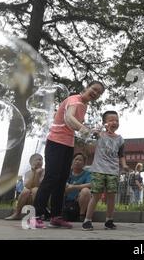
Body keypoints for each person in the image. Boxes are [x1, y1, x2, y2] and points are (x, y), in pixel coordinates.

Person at [32, 81, 105, 229]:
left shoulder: (84, 106)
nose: (95, 93)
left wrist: (90, 130)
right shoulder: (74, 100)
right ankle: (35, 216)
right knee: (51, 177)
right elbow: (69, 118)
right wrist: (83, 128)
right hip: (55, 142)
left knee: (61, 181)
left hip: (68, 144)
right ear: (87, 88)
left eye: (99, 93)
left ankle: (56, 217)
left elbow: (73, 125)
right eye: (94, 89)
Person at [82, 110, 129, 230]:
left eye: (117, 120)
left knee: (111, 196)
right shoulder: (100, 135)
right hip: (98, 169)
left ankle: (109, 220)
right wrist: (97, 130)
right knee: (96, 195)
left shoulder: (120, 139)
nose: (115, 122)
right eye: (111, 120)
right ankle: (87, 220)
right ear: (104, 123)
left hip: (113, 171)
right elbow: (90, 137)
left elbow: (121, 155)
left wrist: (124, 165)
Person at [5, 154, 44, 220]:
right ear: (31, 163)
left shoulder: (45, 172)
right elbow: (27, 186)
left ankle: (37, 214)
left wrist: (37, 174)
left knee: (35, 190)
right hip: (29, 198)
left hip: (42, 197)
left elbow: (38, 186)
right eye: (37, 160)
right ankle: (17, 213)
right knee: (26, 191)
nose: (39, 161)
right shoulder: (28, 173)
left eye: (41, 160)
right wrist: (34, 173)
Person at [63, 153, 91, 222]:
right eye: (76, 159)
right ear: (72, 161)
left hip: (79, 202)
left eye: (80, 160)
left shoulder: (87, 174)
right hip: (66, 202)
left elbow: (91, 184)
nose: (77, 161)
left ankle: (81, 216)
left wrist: (74, 187)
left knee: (86, 191)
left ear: (84, 163)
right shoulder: (66, 172)